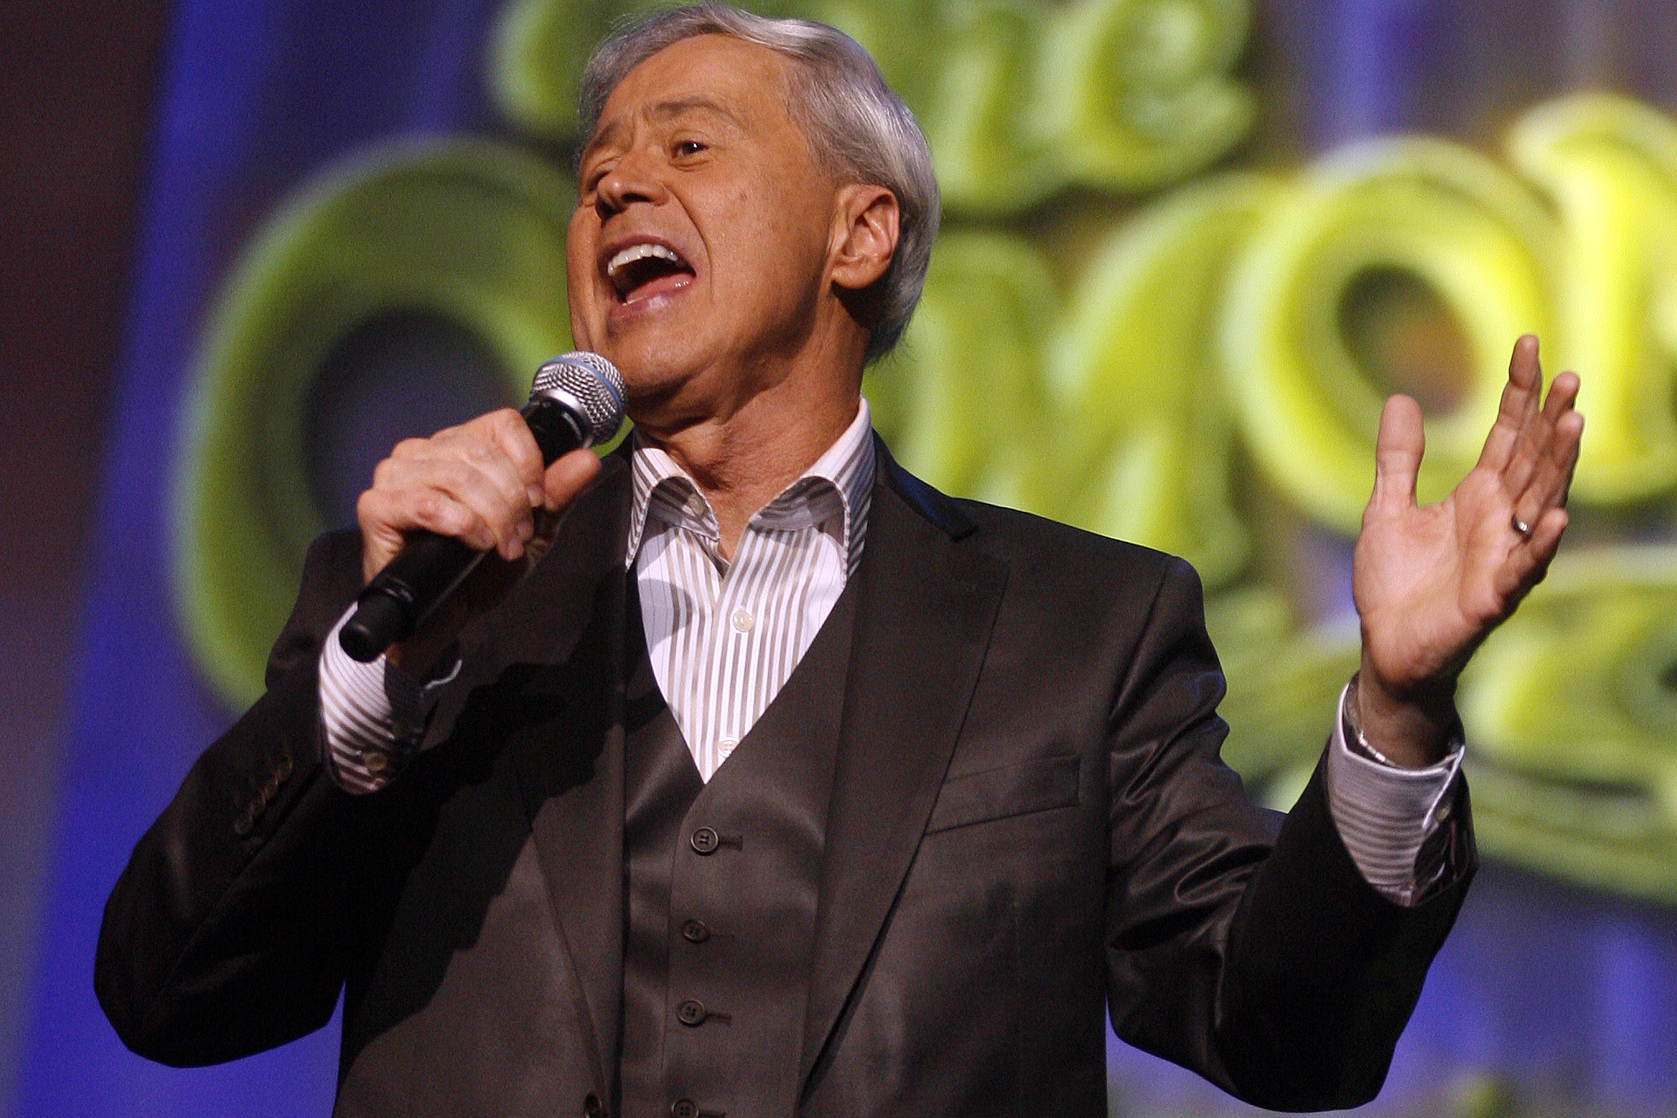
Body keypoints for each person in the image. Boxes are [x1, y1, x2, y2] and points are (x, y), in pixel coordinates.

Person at [95, 6, 1584, 1117]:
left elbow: (1286, 1035)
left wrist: (1392, 711)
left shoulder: (1081, 628)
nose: (615, 189)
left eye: (685, 145)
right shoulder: (426, 611)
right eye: (595, 169)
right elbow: (170, 996)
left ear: (858, 232)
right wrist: (382, 673)